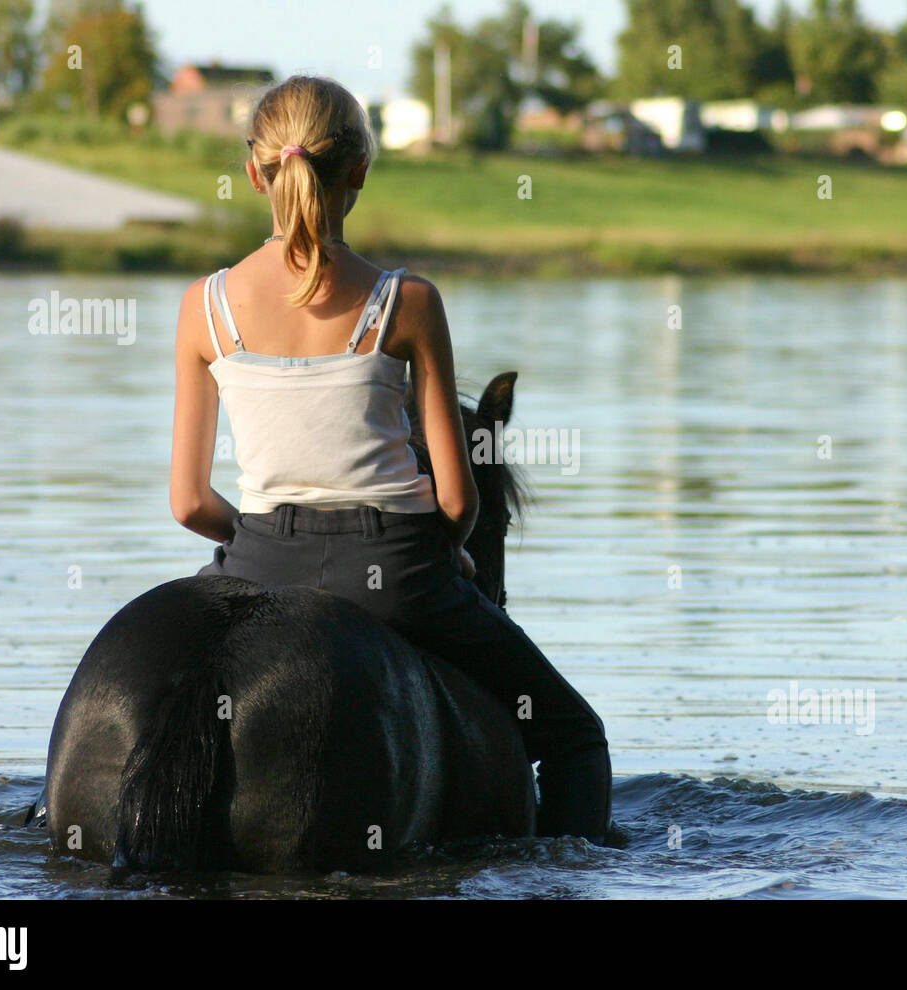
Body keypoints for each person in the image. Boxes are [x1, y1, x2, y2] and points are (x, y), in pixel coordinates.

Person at [168, 75, 611, 841]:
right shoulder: (408, 301)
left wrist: (270, 542)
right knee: (576, 737)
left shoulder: (202, 304)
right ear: (361, 173)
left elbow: (188, 504)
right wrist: (455, 559)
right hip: (397, 573)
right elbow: (460, 503)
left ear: (254, 170)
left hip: (258, 565)